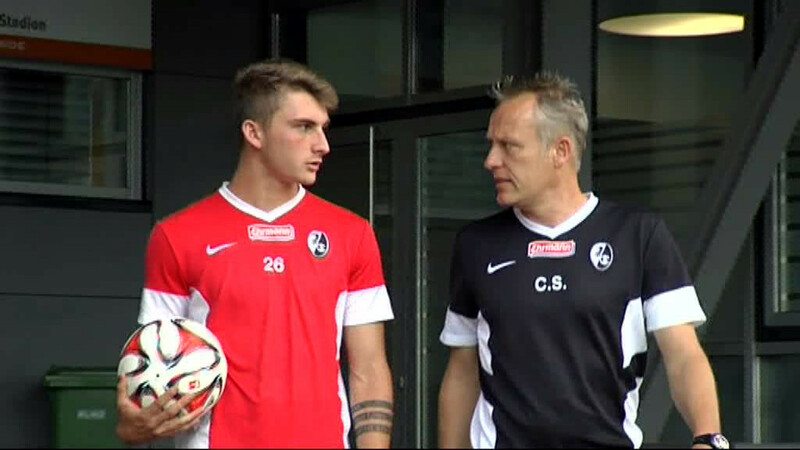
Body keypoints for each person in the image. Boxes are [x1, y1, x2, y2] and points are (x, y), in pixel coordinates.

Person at [437, 72, 728, 449]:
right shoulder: (475, 244)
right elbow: (463, 370)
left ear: (560, 151)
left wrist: (708, 437)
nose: (491, 161)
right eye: (492, 145)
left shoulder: (638, 234)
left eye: (509, 146)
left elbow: (683, 354)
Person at [115, 59, 395, 448]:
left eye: (323, 129)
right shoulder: (176, 236)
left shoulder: (353, 234)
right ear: (254, 133)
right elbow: (152, 364)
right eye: (304, 127)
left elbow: (369, 368)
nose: (323, 145)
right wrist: (133, 428)